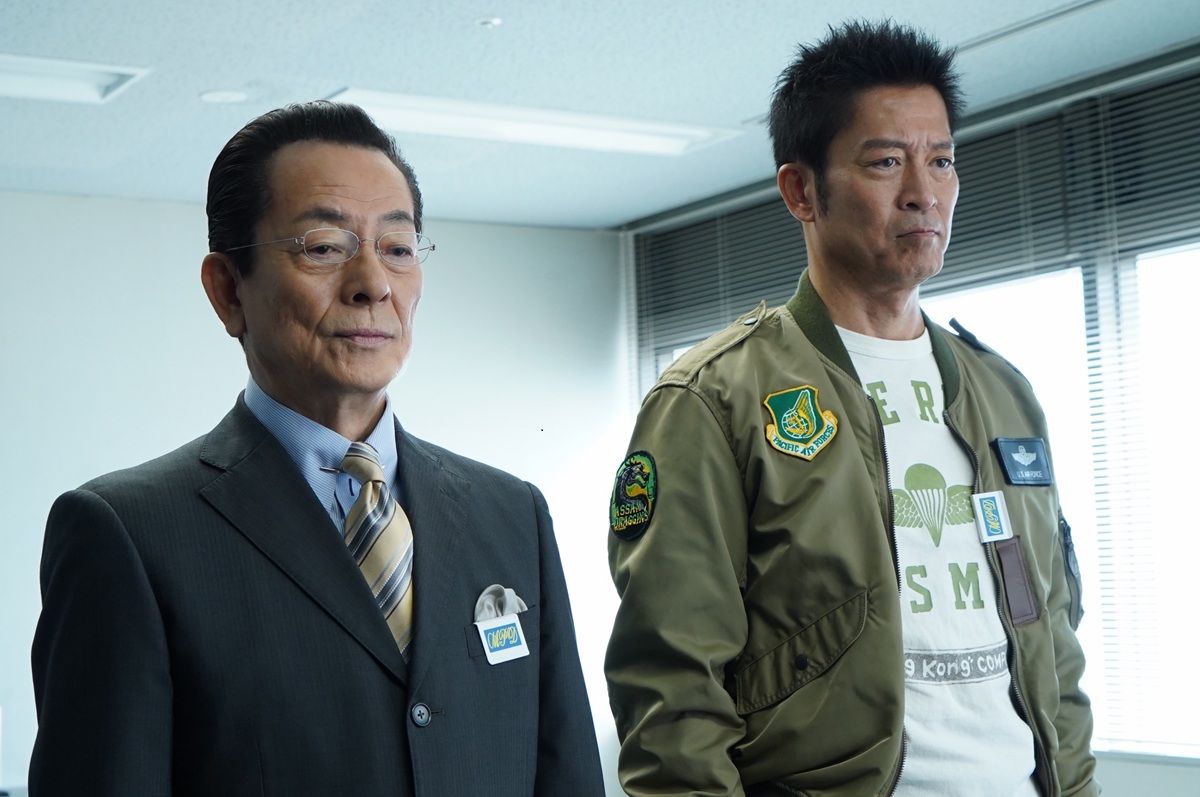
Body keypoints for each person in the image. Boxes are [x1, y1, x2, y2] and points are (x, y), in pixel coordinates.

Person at [30, 101, 604, 796]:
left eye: (398, 248)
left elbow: (567, 775)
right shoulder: (129, 532)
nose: (373, 284)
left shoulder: (512, 514)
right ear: (227, 291)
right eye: (324, 247)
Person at [605, 20, 1097, 797]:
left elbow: (1054, 643)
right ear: (801, 190)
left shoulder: (1002, 392)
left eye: (942, 160)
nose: (923, 192)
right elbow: (672, 693)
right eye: (886, 162)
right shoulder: (717, 397)